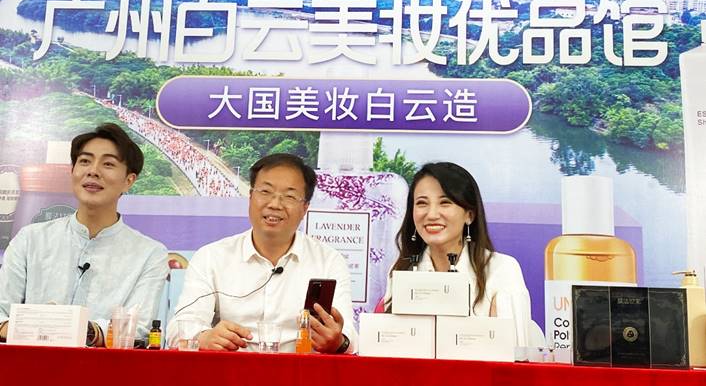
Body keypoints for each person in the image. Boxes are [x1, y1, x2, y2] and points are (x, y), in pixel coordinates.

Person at [168, 153, 356, 353]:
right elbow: (179, 328)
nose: (275, 204)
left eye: (289, 196)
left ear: (305, 208)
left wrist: (338, 341)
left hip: (300, 370)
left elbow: (349, 337)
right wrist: (204, 337)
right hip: (231, 369)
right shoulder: (212, 257)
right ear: (250, 197)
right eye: (265, 192)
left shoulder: (328, 261)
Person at [0, 123, 168, 346]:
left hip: (103, 367)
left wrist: (84, 330)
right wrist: (39, 329)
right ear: (73, 171)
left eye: (108, 164)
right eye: (85, 161)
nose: (93, 171)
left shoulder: (150, 254)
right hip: (28, 364)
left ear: (129, 181)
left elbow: (139, 328)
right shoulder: (30, 239)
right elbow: (1, 312)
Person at [383, 162, 531, 346]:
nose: (432, 214)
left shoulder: (501, 270)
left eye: (445, 203)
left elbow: (515, 354)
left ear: (469, 215)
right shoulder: (400, 270)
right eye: (422, 203)